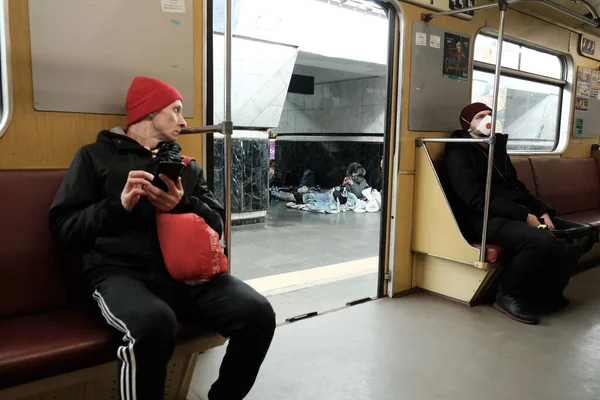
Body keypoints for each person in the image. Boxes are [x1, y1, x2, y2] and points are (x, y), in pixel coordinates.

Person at [49, 76, 276, 400]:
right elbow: (63, 227)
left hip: (184, 276)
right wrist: (119, 206)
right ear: (148, 111)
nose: (183, 122)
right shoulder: (94, 157)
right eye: (176, 111)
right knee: (154, 324)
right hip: (119, 273)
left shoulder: (186, 167)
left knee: (258, 313)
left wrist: (182, 203)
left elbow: (217, 225)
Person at [444, 102, 569, 325]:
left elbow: (517, 187)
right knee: (540, 240)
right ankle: (507, 294)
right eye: (480, 116)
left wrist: (542, 211)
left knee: (575, 233)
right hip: (482, 220)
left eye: (490, 115)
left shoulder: (496, 149)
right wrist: (524, 216)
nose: (487, 120)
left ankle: (544, 294)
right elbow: (474, 200)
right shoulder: (459, 152)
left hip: (511, 214)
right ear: (467, 124)